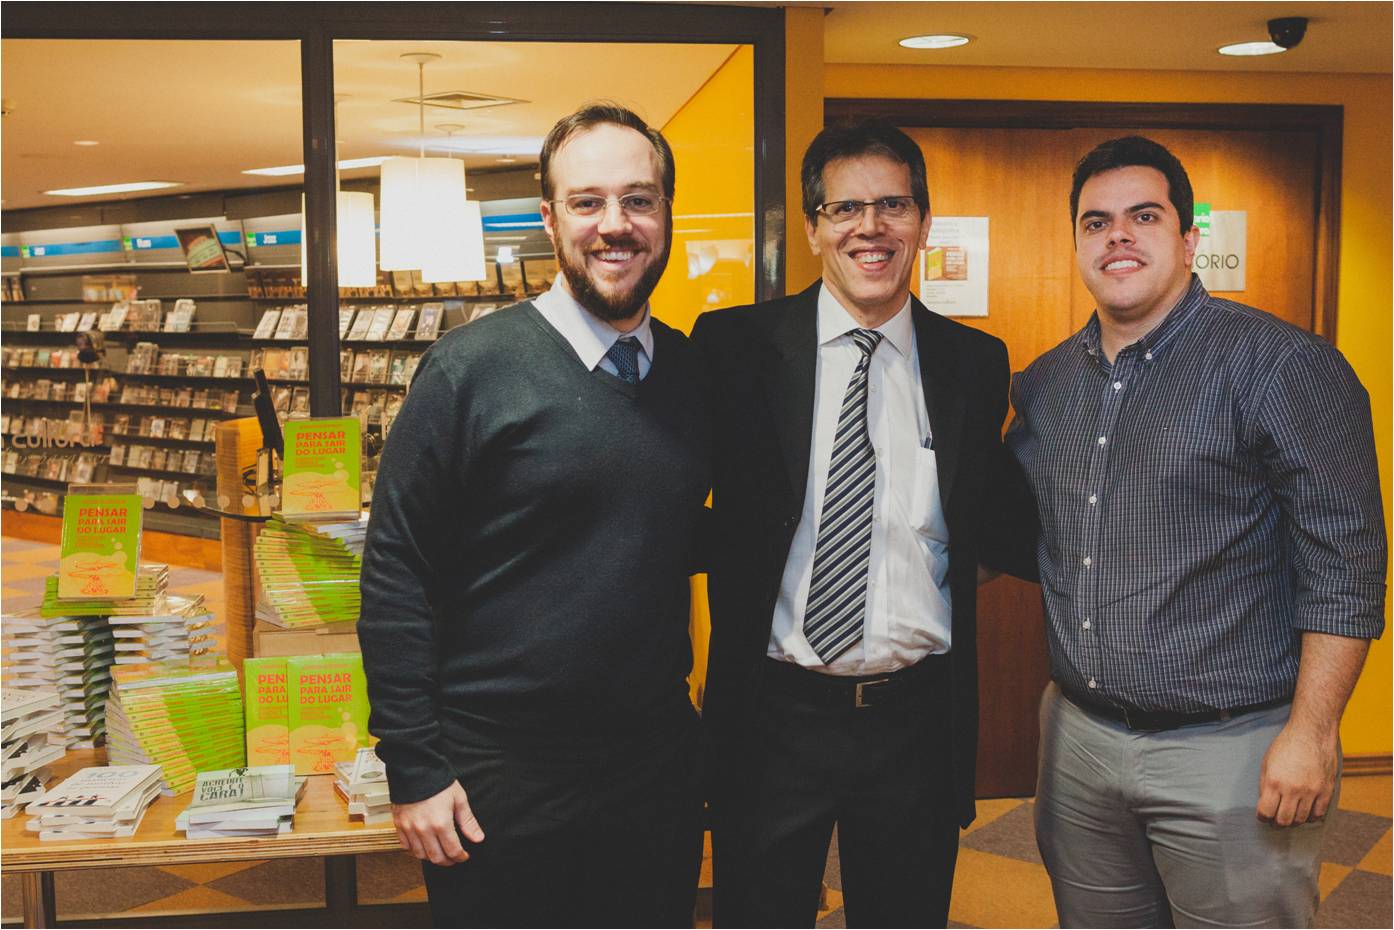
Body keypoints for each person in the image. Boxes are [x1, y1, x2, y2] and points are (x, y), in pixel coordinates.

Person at [1006, 135, 1387, 928]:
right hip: (1078, 741)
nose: (1118, 235)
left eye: (1143, 216)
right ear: (1076, 243)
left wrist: (1313, 733)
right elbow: (1013, 531)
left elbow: (1346, 562)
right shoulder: (1044, 387)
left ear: (1187, 239)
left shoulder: (1281, 366)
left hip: (1232, 748)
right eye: (1095, 221)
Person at [358, 103, 711, 928]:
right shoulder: (468, 370)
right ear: (549, 220)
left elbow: (661, 535)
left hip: (652, 771)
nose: (614, 225)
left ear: (665, 214)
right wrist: (413, 765)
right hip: (496, 777)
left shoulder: (693, 374)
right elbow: (396, 570)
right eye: (587, 202)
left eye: (638, 200)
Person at [691, 120, 1037, 927]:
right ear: (812, 226)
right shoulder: (734, 349)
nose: (870, 228)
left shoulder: (973, 364)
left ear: (922, 221)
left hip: (915, 721)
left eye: (893, 205)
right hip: (773, 716)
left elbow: (982, 517)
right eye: (845, 208)